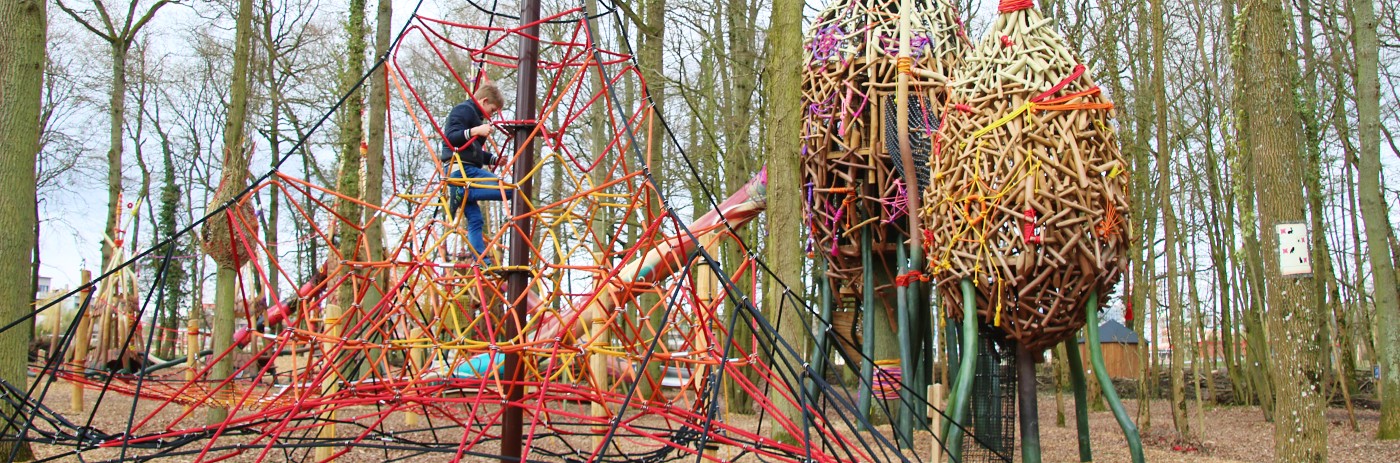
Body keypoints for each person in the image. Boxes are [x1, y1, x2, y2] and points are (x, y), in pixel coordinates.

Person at [442, 84, 514, 265]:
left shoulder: (474, 117)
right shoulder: (463, 110)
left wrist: (493, 159)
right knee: (510, 190)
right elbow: (451, 138)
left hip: (467, 170)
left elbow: (472, 152)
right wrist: (476, 131)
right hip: (462, 172)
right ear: (484, 101)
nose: (491, 115)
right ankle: (463, 191)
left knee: (475, 220)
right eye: (492, 110)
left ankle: (482, 263)